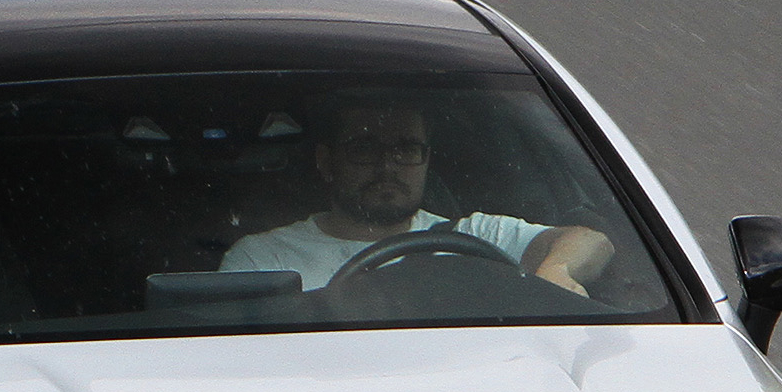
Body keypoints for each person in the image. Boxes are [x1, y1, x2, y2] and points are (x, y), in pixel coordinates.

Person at [218, 101, 614, 293]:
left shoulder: (472, 236)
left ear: (426, 160)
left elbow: (590, 241)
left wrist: (557, 270)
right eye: (365, 149)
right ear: (326, 162)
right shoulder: (263, 259)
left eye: (406, 150)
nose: (388, 166)